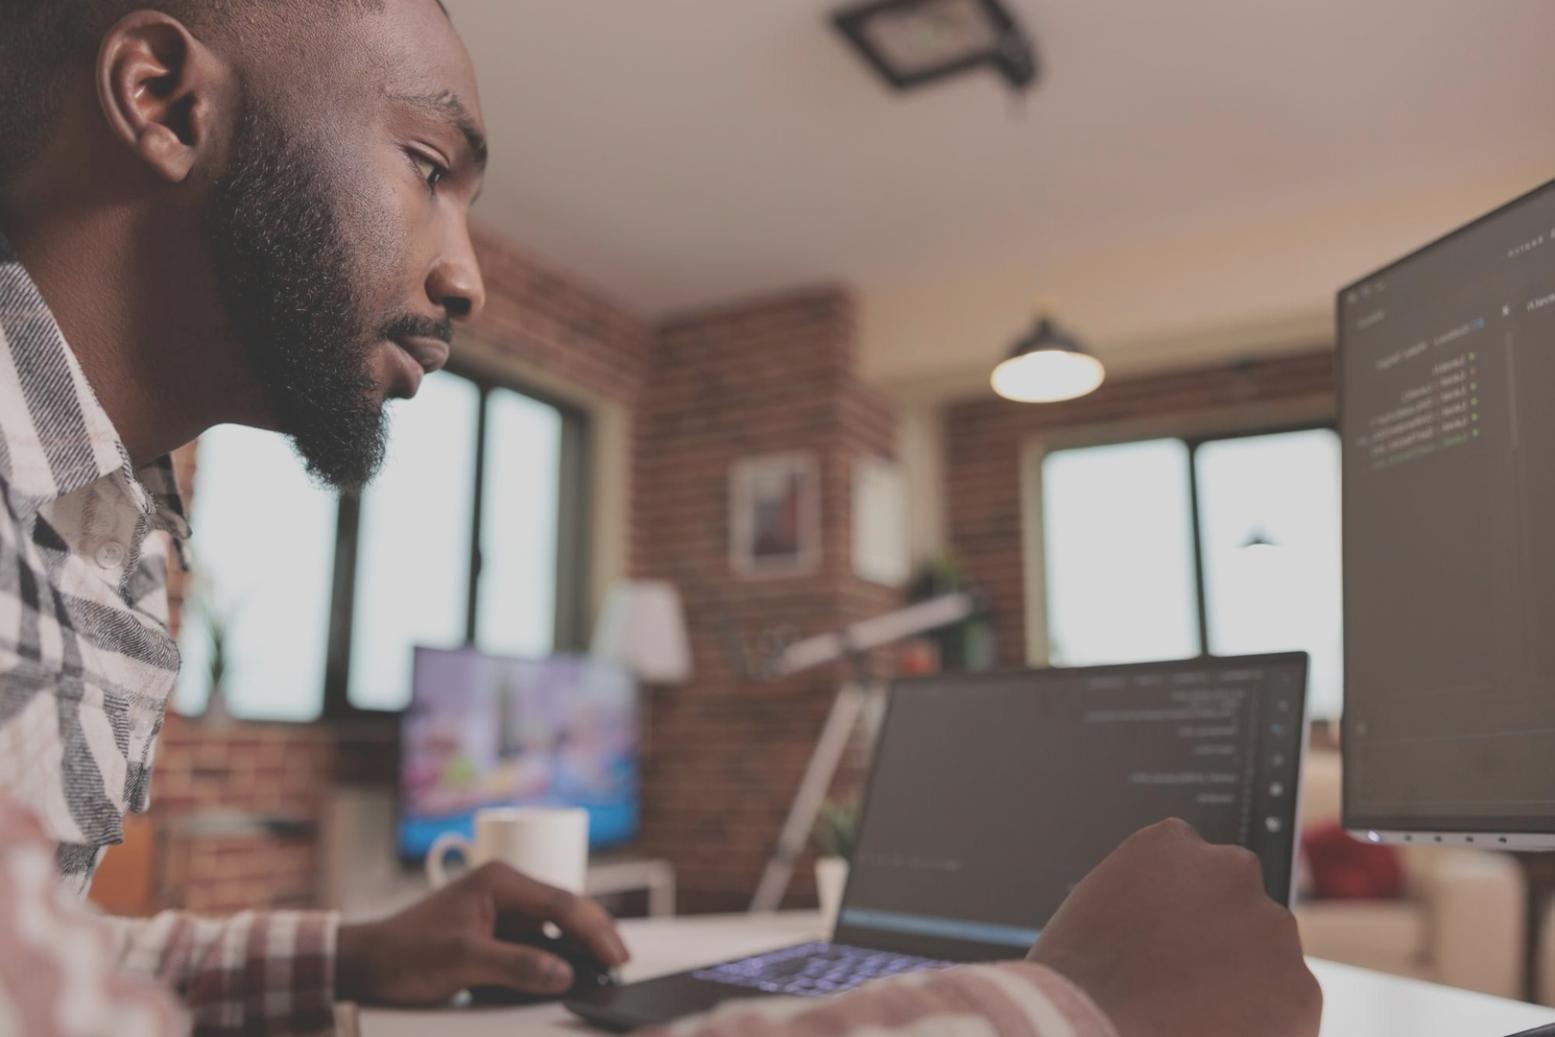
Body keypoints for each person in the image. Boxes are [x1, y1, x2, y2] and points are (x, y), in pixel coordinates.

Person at [0, 1, 1321, 1034]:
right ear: (164, 100)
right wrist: (1074, 1011)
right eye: (426, 165)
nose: (464, 273)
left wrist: (362, 948)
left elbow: (39, 955)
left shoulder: (106, 513)